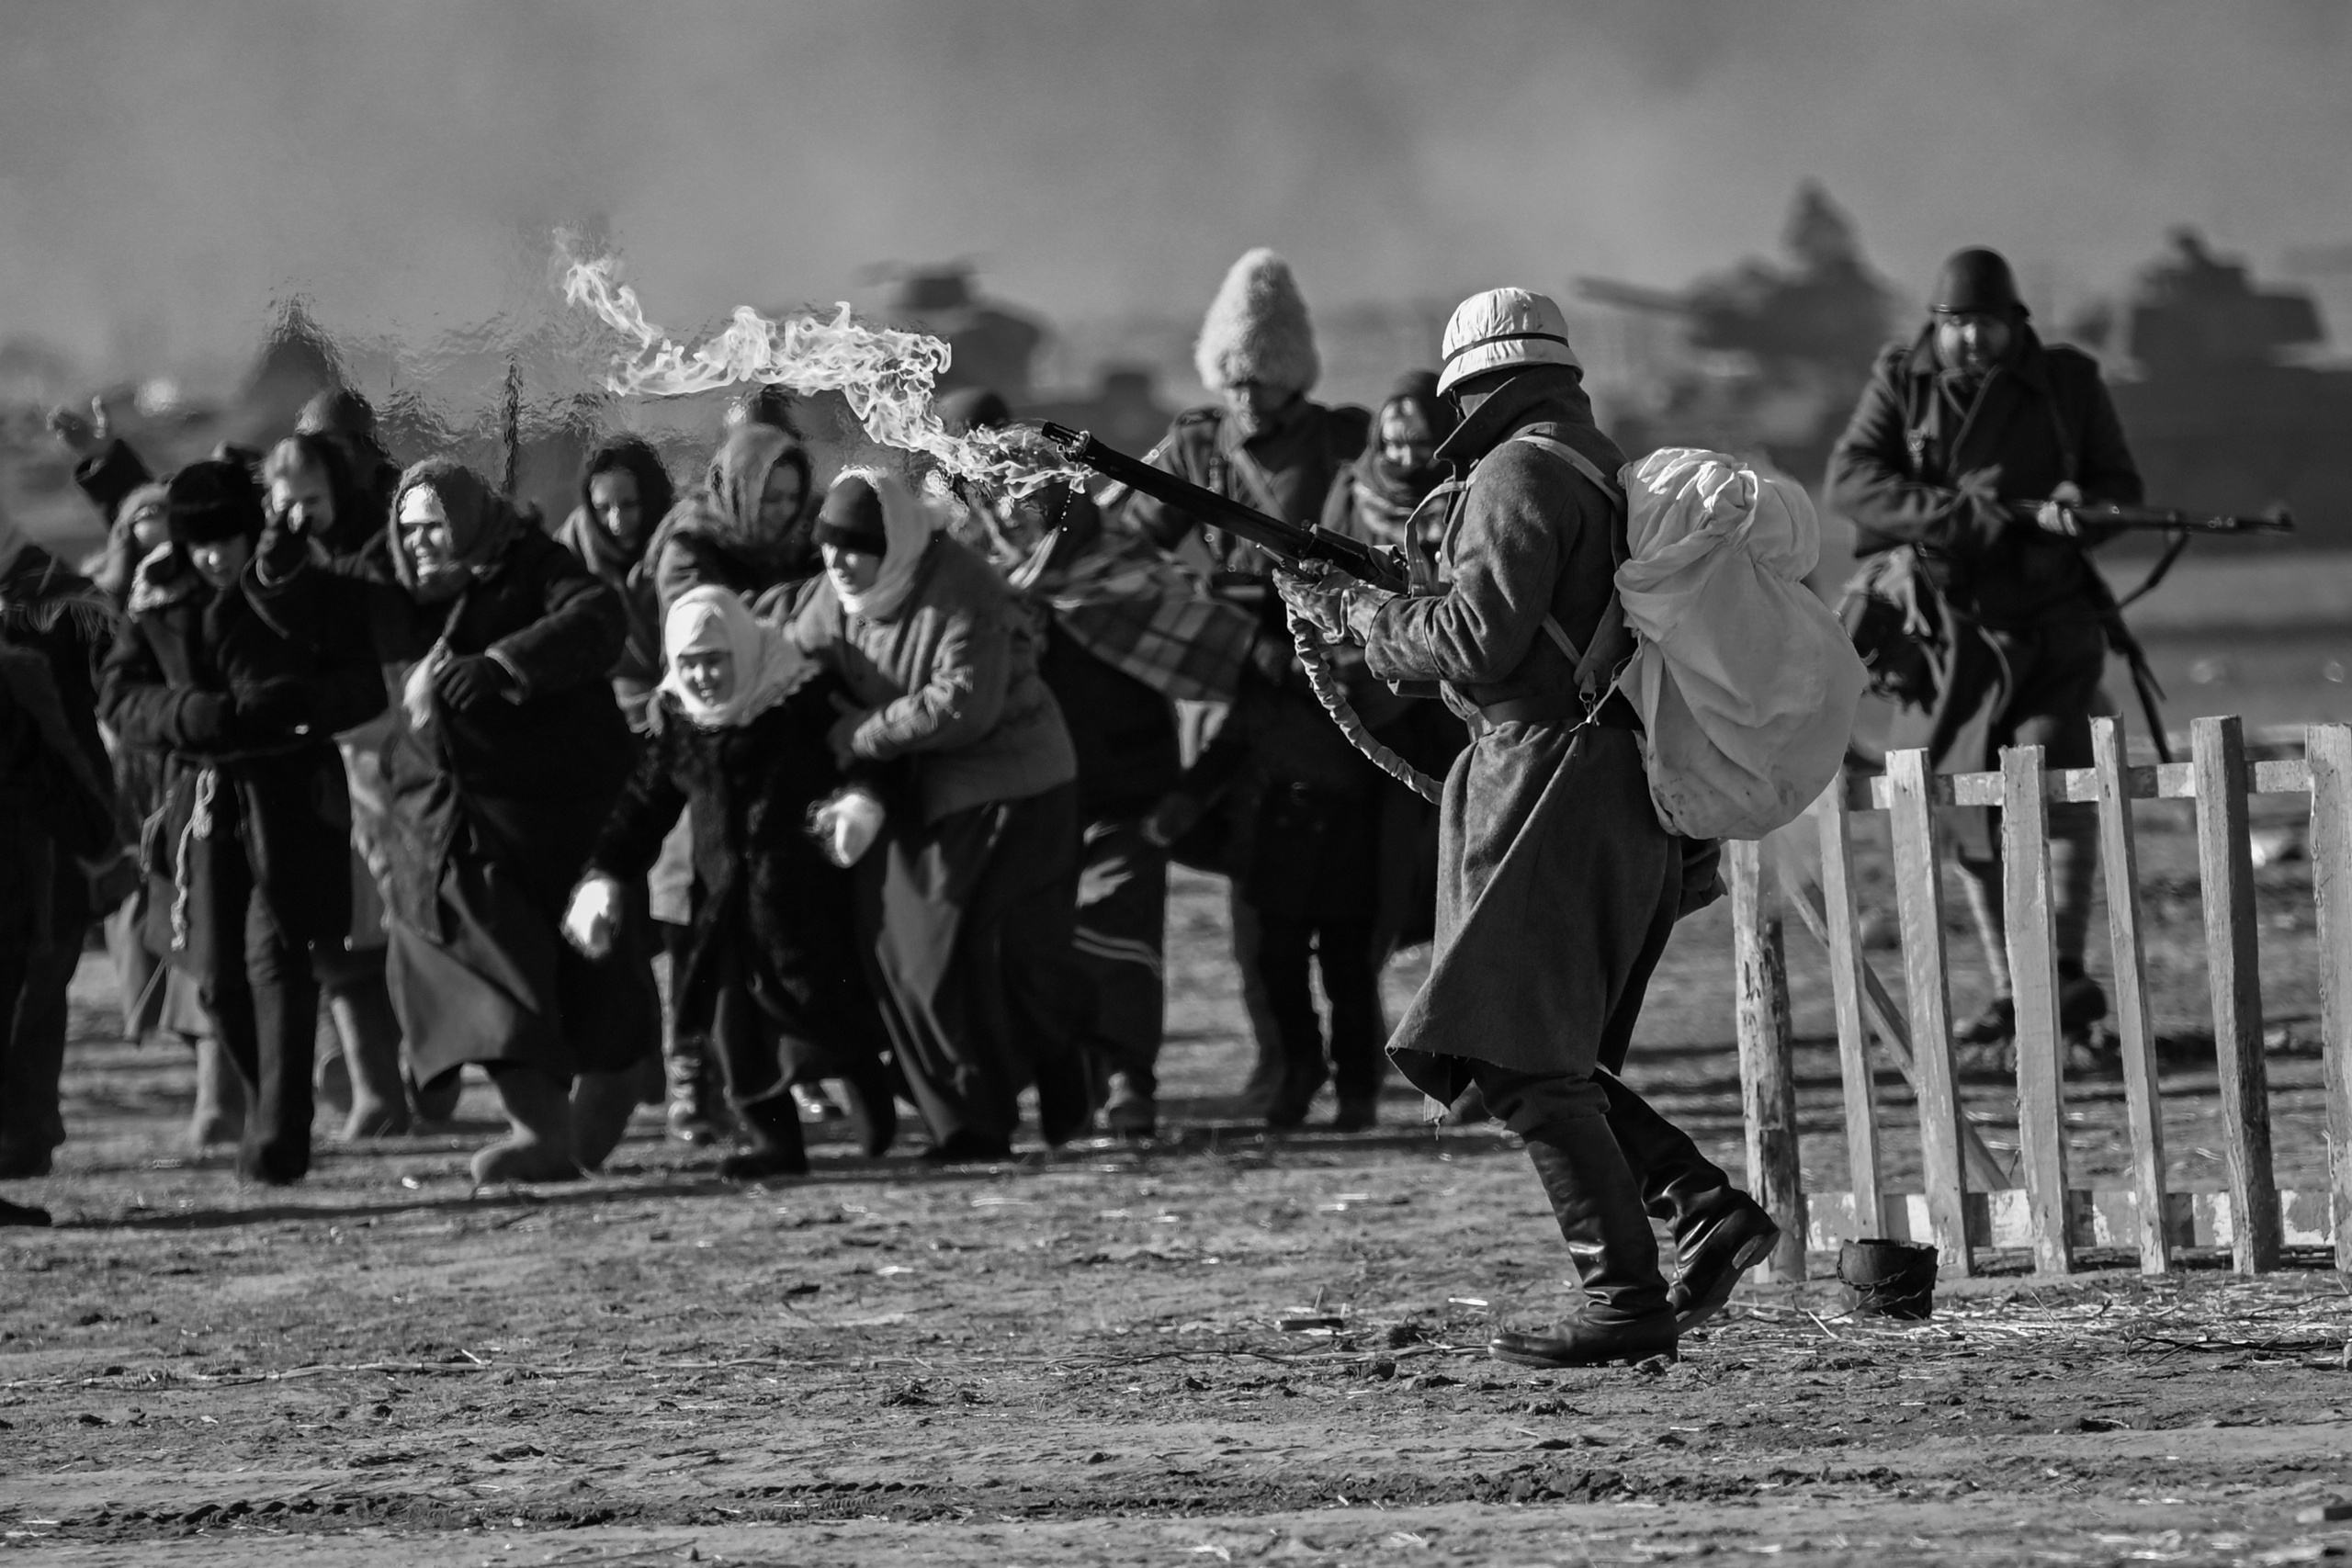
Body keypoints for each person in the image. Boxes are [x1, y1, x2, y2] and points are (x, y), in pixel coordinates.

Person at [1279, 288, 1781, 1367]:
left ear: (1479, 390)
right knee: (1532, 1045)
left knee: (1514, 1052)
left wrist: (1361, 617)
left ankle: (1627, 1297)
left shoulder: (1516, 473)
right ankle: (1703, 1209)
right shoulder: (1582, 467)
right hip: (1581, 770)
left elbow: (1473, 637)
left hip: (1549, 779)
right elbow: (1516, 643)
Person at [255, 458, 659, 1185]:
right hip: (443, 824)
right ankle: (539, 1130)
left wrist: (506, 665)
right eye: (408, 529)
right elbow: (317, 608)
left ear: (469, 521)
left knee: (600, 990)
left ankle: (579, 1133)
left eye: (435, 526)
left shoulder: (532, 562)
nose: (420, 543)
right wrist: (281, 566)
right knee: (466, 973)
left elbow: (596, 616)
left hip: (561, 814)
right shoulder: (386, 584)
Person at [1825, 247, 2143, 1068]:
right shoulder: (1901, 381)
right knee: (1964, 812)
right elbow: (1854, 481)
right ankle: (2012, 996)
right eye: (1957, 325)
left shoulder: (2068, 382)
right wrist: (1963, 516)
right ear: (1939, 325)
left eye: (1985, 325)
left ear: (2014, 324)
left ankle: (2063, 976)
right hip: (1947, 634)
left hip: (2048, 622)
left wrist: (2081, 510)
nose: (1970, 341)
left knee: (2058, 774)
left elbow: (2119, 488)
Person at [1118, 248, 1390, 1125]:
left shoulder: (1342, 436)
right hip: (1238, 690)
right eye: (1232, 378)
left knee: (1348, 925)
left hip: (1337, 674)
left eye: (1262, 380)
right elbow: (1129, 541)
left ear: (1294, 375)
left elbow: (1387, 521)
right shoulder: (1194, 444)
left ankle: (1357, 1081)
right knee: (1257, 925)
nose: (1245, 396)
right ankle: (1284, 1071)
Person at [790, 469, 1091, 1163]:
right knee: (915, 956)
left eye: (857, 545)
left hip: (1016, 786)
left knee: (1016, 957)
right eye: (829, 543)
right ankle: (970, 1123)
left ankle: (1059, 1064)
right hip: (919, 792)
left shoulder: (963, 590)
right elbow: (796, 659)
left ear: (892, 541)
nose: (839, 559)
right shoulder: (832, 596)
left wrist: (858, 734)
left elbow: (962, 702)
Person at [101, 461, 386, 1185]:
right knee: (216, 972)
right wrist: (190, 715)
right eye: (204, 543)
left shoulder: (302, 585)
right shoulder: (157, 597)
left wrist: (293, 706)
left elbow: (362, 686)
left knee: (279, 958)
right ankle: (270, 1107)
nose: (218, 556)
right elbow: (120, 696)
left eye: (230, 539)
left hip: (292, 795)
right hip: (197, 804)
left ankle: (282, 1134)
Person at [573, 586, 897, 1179]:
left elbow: (859, 751)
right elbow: (645, 804)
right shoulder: (680, 720)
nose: (702, 676)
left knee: (828, 1016)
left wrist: (859, 803)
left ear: (741, 649)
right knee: (735, 1032)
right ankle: (778, 1146)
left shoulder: (799, 694)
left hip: (806, 902)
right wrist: (607, 873)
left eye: (714, 659)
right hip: (722, 910)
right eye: (689, 662)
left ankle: (873, 1105)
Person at [636, 423, 823, 1139]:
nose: (778, 510)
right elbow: (711, 631)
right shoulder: (690, 547)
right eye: (768, 496)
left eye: (790, 497)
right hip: (704, 746)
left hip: (776, 751)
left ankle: (783, 1072)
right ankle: (689, 1078)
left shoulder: (803, 546)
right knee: (693, 916)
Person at [0, 508, 119, 1184]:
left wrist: (99, 836)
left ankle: (24, 1133)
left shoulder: (67, 605)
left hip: (55, 832)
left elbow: (123, 688)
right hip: (46, 824)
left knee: (36, 983)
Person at [1320, 370, 1460, 581]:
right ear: (1380, 441)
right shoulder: (1351, 493)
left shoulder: (1467, 492)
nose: (1408, 459)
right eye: (1395, 444)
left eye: (1422, 443)